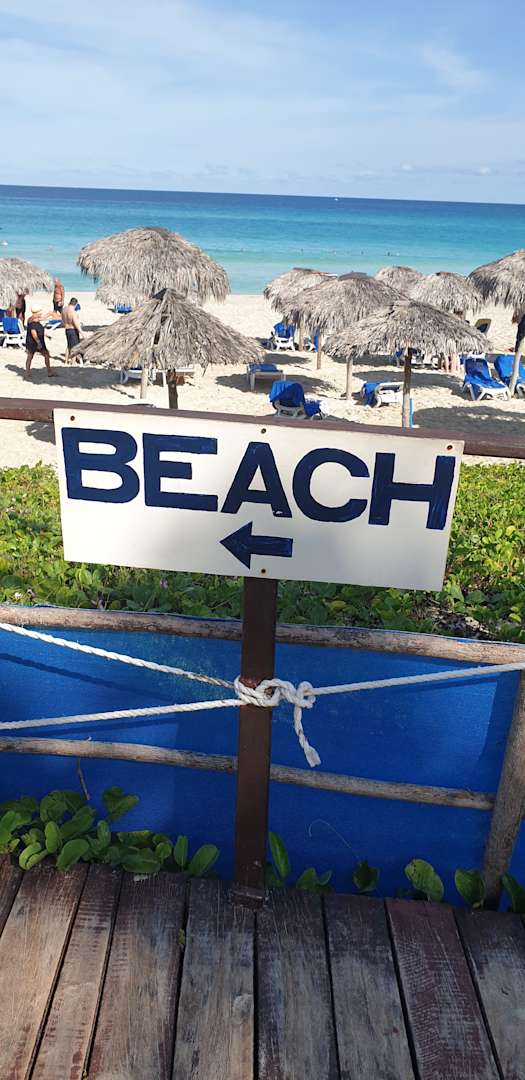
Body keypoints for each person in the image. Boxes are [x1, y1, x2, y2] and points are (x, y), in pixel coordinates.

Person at [25, 309, 54, 379]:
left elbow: (41, 321)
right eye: (40, 312)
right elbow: (34, 333)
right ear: (36, 312)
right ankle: (27, 373)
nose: (41, 313)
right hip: (33, 342)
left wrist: (46, 335)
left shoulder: (35, 319)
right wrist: (38, 342)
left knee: (46, 355)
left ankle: (49, 371)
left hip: (38, 341)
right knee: (31, 356)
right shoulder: (32, 321)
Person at [62, 296, 82, 363]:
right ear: (75, 304)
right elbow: (76, 324)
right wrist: (81, 332)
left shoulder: (64, 309)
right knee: (75, 347)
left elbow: (62, 319)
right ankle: (73, 362)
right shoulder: (73, 312)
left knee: (68, 346)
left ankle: (66, 361)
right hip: (73, 330)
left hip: (67, 329)